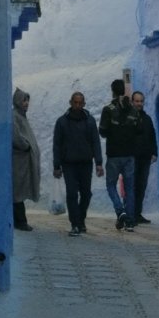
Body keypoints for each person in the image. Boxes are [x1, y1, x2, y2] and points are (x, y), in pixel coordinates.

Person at [52, 91, 103, 237]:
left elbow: (96, 142)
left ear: (84, 104)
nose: (78, 105)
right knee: (72, 193)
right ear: (70, 103)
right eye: (75, 102)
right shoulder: (62, 122)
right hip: (68, 164)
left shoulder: (90, 121)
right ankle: (75, 224)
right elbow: (57, 145)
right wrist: (57, 166)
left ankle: (81, 219)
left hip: (86, 164)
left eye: (80, 103)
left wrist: (99, 163)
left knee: (86, 194)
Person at [99, 78, 141, 231]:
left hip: (114, 154)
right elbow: (139, 130)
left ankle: (120, 210)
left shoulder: (108, 109)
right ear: (124, 90)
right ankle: (130, 221)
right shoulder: (133, 110)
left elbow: (102, 131)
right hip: (129, 154)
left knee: (111, 185)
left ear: (113, 91)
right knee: (129, 188)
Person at [12, 88, 40, 231]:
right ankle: (20, 221)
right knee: (17, 192)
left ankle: (20, 221)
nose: (26, 103)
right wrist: (26, 146)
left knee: (19, 191)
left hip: (23, 162)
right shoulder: (14, 116)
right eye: (24, 100)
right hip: (19, 162)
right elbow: (15, 137)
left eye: (27, 100)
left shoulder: (22, 117)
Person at [130, 90, 159, 224]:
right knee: (132, 186)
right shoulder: (128, 119)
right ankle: (130, 214)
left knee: (141, 186)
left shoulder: (147, 119)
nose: (139, 104)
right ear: (132, 102)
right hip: (132, 158)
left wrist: (154, 152)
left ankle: (137, 214)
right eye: (137, 101)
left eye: (141, 101)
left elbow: (152, 136)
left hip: (145, 159)